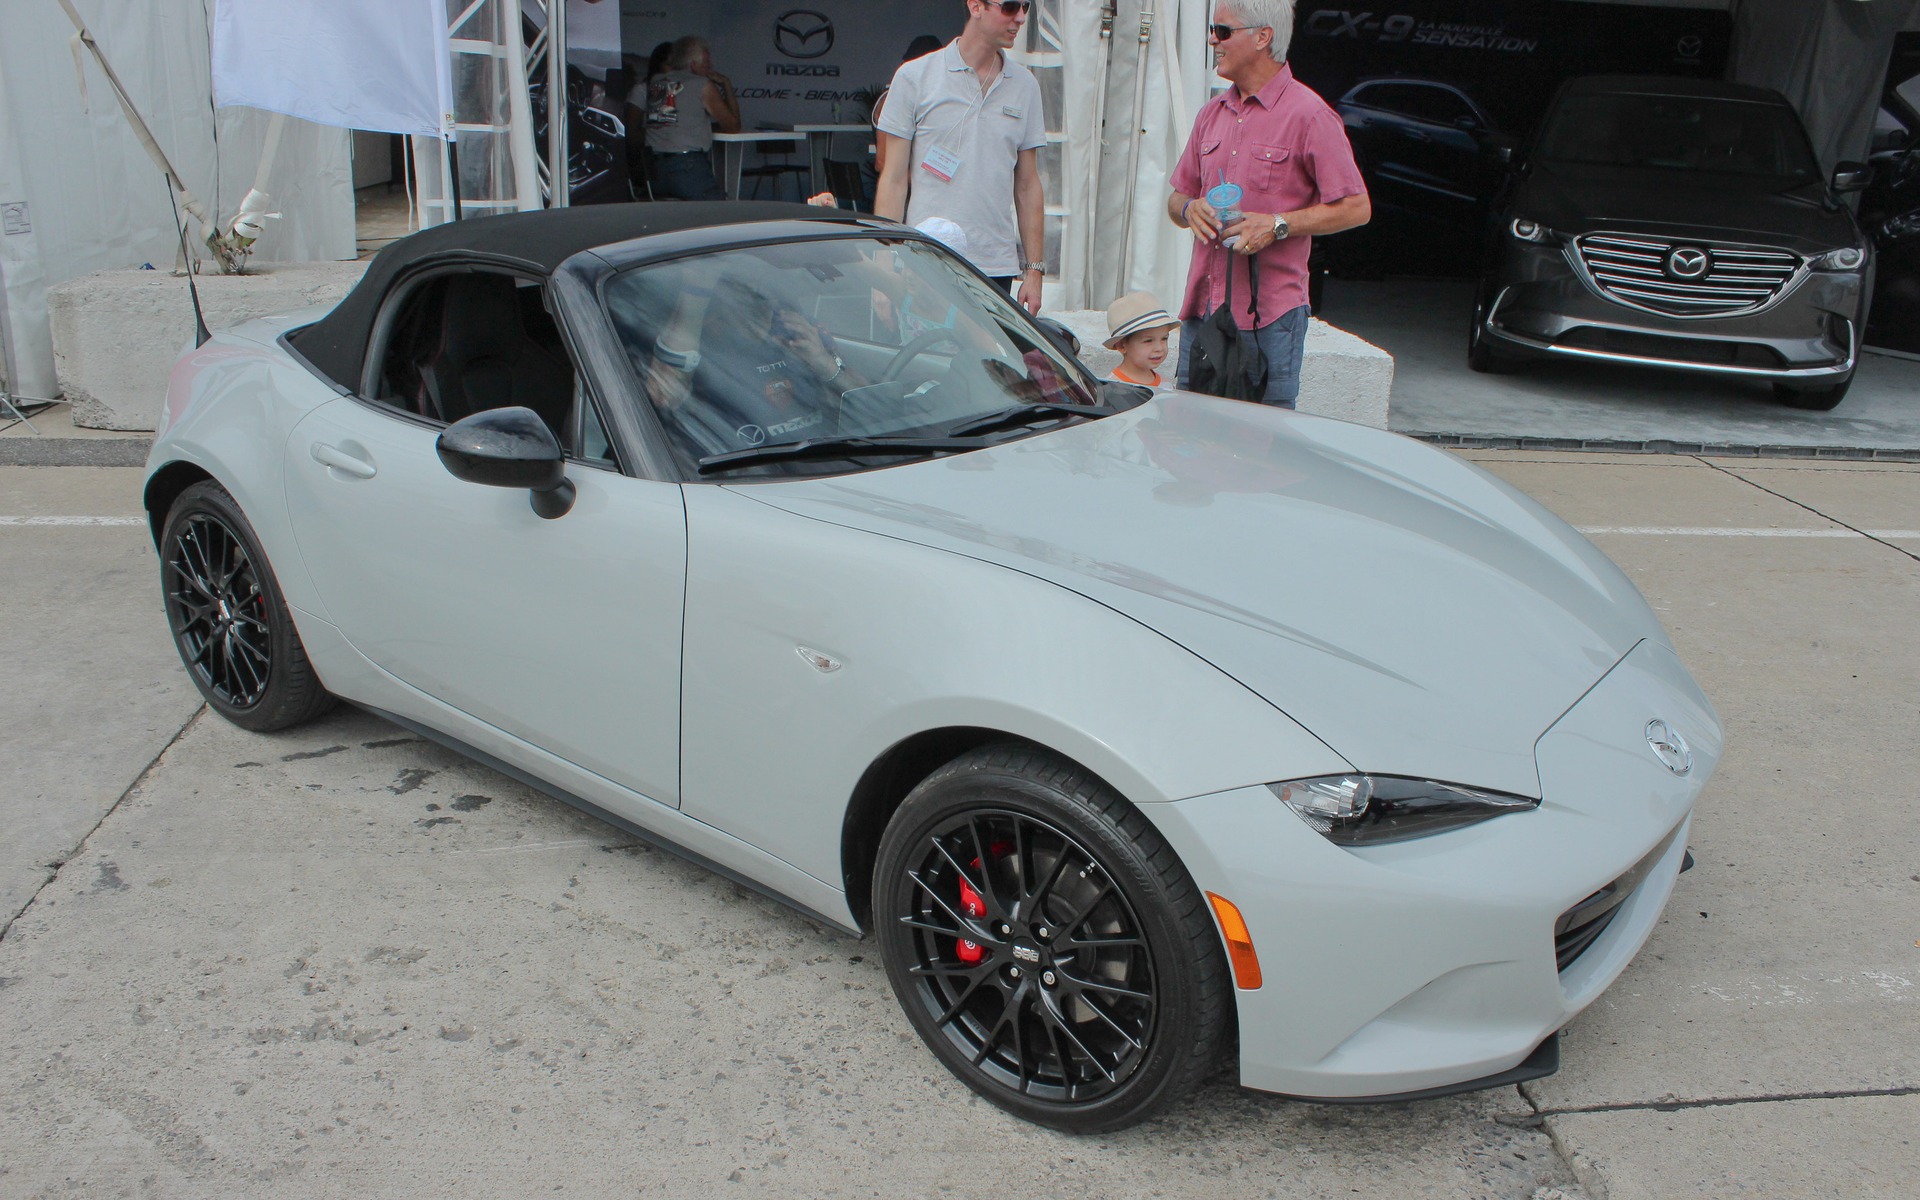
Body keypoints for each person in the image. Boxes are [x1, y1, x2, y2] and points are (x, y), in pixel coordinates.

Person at [1166, 0, 1370, 407]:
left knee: (1264, 454)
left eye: (1223, 31)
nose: (1212, 40)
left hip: (1270, 318)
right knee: (1189, 443)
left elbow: (1357, 207)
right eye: (1212, 29)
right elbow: (1176, 198)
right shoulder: (1212, 113)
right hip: (1203, 311)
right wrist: (1191, 210)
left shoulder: (1310, 115)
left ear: (1263, 37)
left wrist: (1276, 224)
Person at [874, 1, 1048, 314]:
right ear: (976, 6)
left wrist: (1034, 270)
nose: (1021, 17)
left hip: (995, 265)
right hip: (926, 258)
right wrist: (884, 263)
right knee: (928, 357)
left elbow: (1028, 185)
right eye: (1009, 6)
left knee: (986, 362)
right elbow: (894, 178)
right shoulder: (915, 76)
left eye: (1026, 6)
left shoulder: (1025, 86)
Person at [645, 36, 741, 201]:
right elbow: (733, 126)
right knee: (719, 215)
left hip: (654, 169)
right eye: (707, 63)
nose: (711, 67)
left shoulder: (657, 82)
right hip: (687, 168)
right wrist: (726, 84)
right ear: (693, 64)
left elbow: (676, 120)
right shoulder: (702, 85)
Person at [1102, 292, 1179, 391]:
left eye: (1164, 339)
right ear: (1122, 346)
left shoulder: (1166, 386)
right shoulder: (1112, 388)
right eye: (1148, 341)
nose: (1159, 348)